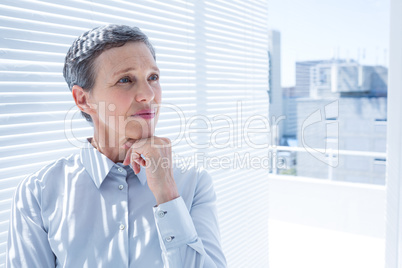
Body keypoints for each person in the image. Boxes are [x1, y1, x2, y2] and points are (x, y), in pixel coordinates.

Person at [6, 24, 226, 267]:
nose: (148, 94)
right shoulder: (38, 193)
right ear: (83, 99)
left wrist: (168, 196)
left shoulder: (193, 184)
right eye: (125, 79)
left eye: (153, 77)